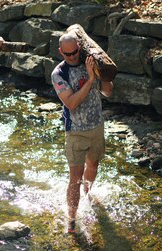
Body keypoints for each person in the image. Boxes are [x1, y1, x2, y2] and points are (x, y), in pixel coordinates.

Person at [51, 32, 113, 233]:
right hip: (75, 131)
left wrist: (101, 74)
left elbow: (108, 92)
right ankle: (71, 218)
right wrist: (90, 79)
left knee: (93, 165)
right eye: (67, 54)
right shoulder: (59, 74)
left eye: (75, 52)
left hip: (97, 126)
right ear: (61, 52)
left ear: (79, 46)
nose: (72, 57)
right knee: (74, 178)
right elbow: (71, 103)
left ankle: (88, 193)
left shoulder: (90, 62)